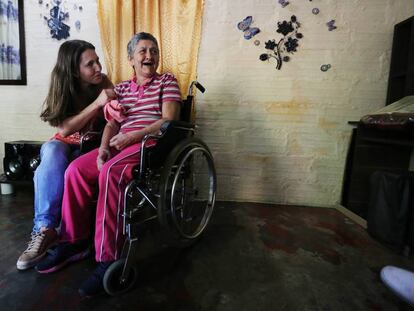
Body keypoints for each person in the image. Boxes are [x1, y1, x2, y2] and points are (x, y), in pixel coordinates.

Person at [35, 32, 182, 298]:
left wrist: (133, 136)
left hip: (149, 143)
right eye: (143, 51)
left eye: (154, 51)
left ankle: (108, 258)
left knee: (112, 173)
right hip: (118, 142)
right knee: (76, 170)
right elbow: (112, 123)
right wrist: (104, 148)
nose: (149, 56)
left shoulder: (167, 82)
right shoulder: (122, 88)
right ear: (131, 59)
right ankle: (74, 240)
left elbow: (168, 120)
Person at [16, 40, 115, 270]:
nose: (98, 67)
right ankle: (44, 230)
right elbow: (64, 129)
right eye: (90, 64)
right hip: (65, 141)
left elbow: (115, 118)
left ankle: (71, 235)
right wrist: (97, 103)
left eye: (97, 60)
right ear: (73, 71)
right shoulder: (62, 85)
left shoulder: (104, 82)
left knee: (74, 159)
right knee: (50, 151)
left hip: (92, 145)